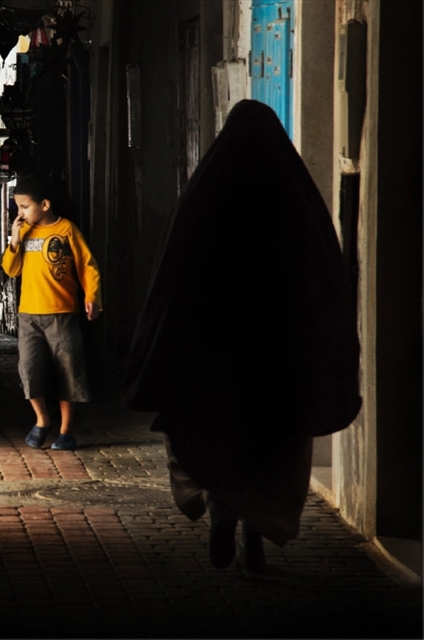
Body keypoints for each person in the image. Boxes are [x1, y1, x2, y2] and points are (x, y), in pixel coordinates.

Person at [122, 100, 361, 573]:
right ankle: (255, 532)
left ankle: (223, 513)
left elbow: (171, 277)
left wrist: (161, 351)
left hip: (212, 355)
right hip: (277, 356)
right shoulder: (295, 201)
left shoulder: (204, 196)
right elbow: (324, 278)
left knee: (217, 439)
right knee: (268, 447)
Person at [1, 174, 102, 452]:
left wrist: (92, 296)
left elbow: (87, 265)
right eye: (17, 208)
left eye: (24, 207)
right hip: (28, 315)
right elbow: (11, 269)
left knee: (67, 370)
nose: (19, 213)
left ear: (44, 204)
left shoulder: (67, 230)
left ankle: (66, 430)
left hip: (62, 312)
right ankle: (42, 419)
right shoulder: (24, 233)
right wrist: (14, 240)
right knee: (29, 369)